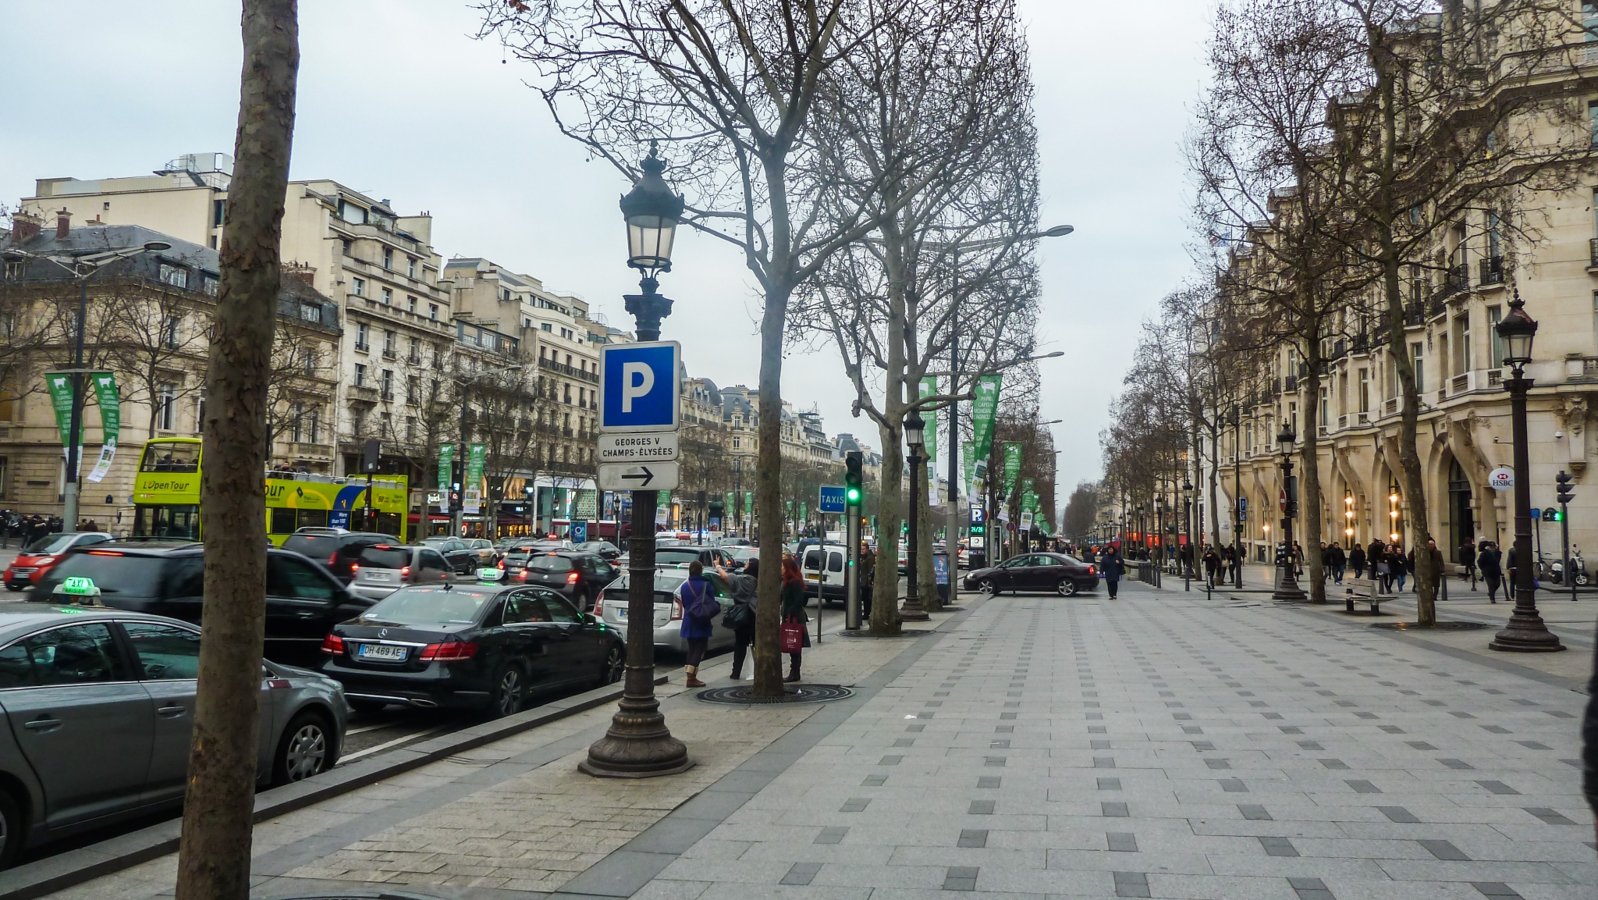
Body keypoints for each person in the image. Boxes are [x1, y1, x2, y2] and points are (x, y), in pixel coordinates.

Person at [678, 561, 718, 687]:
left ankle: (690, 675)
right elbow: (711, 602)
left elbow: (684, 604)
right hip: (702, 621)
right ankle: (691, 677)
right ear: (701, 570)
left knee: (692, 648)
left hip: (689, 620)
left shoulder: (685, 586)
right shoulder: (707, 585)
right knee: (699, 648)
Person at [726, 558, 759, 680]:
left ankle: (736, 672)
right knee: (756, 643)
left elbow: (728, 578)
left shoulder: (743, 579)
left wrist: (718, 567)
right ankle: (758, 669)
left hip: (742, 616)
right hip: (754, 614)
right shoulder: (758, 580)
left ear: (750, 566)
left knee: (740, 645)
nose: (744, 565)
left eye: (747, 563)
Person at [780, 553, 811, 683]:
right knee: (792, 645)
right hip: (789, 616)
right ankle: (794, 671)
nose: (780, 568)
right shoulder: (785, 581)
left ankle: (795, 672)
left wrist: (789, 613)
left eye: (782, 566)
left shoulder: (794, 583)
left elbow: (798, 601)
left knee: (794, 645)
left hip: (794, 618)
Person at [857, 542, 875, 620]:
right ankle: (866, 613)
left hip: (866, 582)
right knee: (864, 598)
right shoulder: (863, 557)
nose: (862, 550)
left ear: (867, 549)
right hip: (863, 581)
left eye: (863, 549)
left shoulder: (870, 558)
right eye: (861, 549)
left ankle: (867, 613)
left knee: (867, 599)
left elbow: (870, 570)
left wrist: (870, 581)